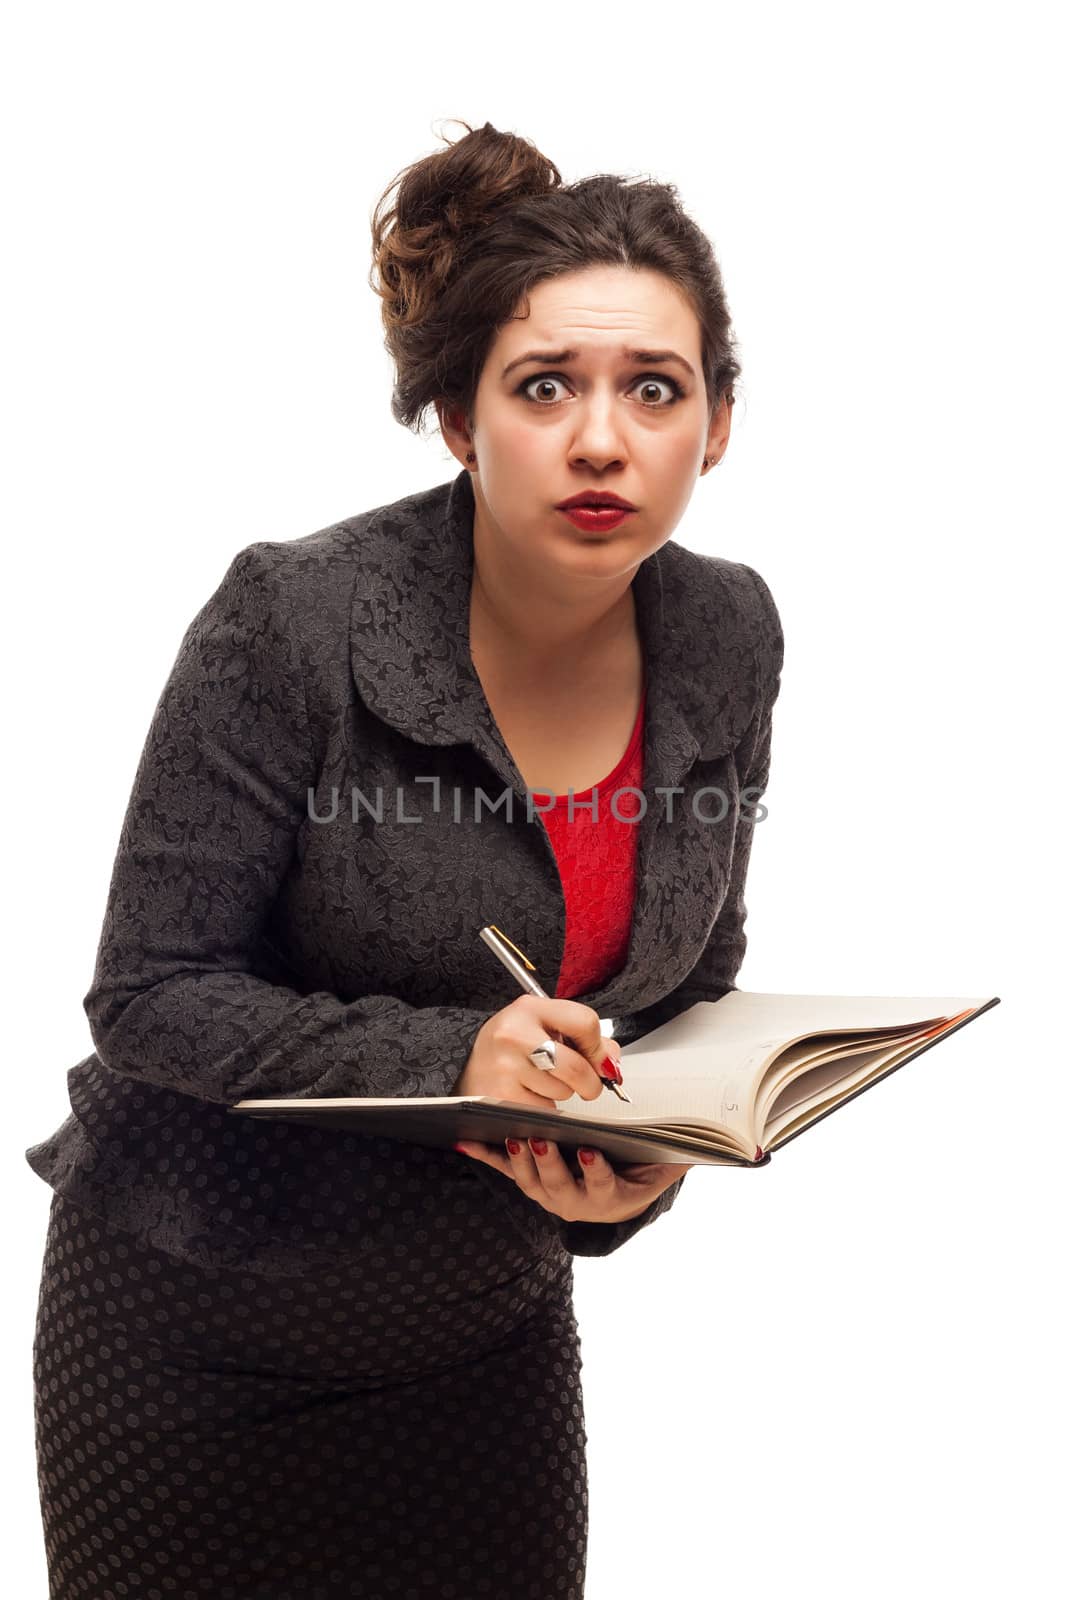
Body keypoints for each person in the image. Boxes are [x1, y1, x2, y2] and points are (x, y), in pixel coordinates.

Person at [26, 118, 784, 1599]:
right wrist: (460, 1056)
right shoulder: (293, 621)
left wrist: (638, 1168)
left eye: (655, 389)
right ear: (457, 417)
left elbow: (697, 980)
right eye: (543, 387)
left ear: (720, 422)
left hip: (477, 1327)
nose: (601, 439)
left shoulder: (727, 633)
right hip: (194, 1329)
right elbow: (151, 989)